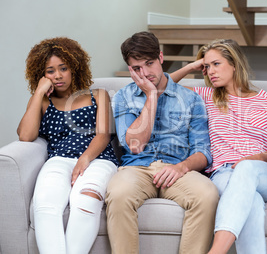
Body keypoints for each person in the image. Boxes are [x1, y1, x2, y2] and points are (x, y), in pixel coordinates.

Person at [105, 31, 219, 254]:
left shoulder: (191, 99)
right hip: (137, 167)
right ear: (129, 69)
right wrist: (151, 96)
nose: (145, 73)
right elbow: (135, 145)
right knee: (118, 194)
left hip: (178, 169)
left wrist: (180, 167)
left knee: (207, 194)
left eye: (149, 64)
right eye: (137, 69)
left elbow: (203, 152)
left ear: (161, 57)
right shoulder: (123, 97)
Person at [170, 39, 267, 254]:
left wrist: (251, 161)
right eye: (206, 67)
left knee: (246, 170)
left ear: (234, 64)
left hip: (266, 174)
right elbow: (163, 86)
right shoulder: (207, 96)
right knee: (251, 203)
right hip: (224, 173)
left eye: (216, 64)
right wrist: (190, 67)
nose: (210, 71)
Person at [17, 37, 118, 254]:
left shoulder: (98, 95)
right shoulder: (43, 102)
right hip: (58, 160)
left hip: (98, 160)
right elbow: (25, 136)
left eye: (63, 68)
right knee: (44, 206)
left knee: (85, 202)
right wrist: (38, 92)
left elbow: (104, 135)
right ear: (42, 74)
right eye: (50, 71)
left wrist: (85, 159)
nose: (58, 75)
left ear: (75, 67)